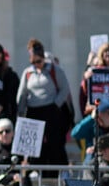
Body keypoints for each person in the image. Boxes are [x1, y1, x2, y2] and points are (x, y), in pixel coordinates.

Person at [16, 38, 71, 167]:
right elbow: (22, 93)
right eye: (33, 62)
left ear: (43, 58)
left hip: (51, 110)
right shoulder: (28, 73)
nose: (36, 64)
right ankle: (35, 170)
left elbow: (65, 88)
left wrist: (56, 104)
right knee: (34, 145)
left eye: (38, 61)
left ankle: (59, 171)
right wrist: (20, 111)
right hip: (34, 111)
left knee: (55, 143)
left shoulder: (55, 70)